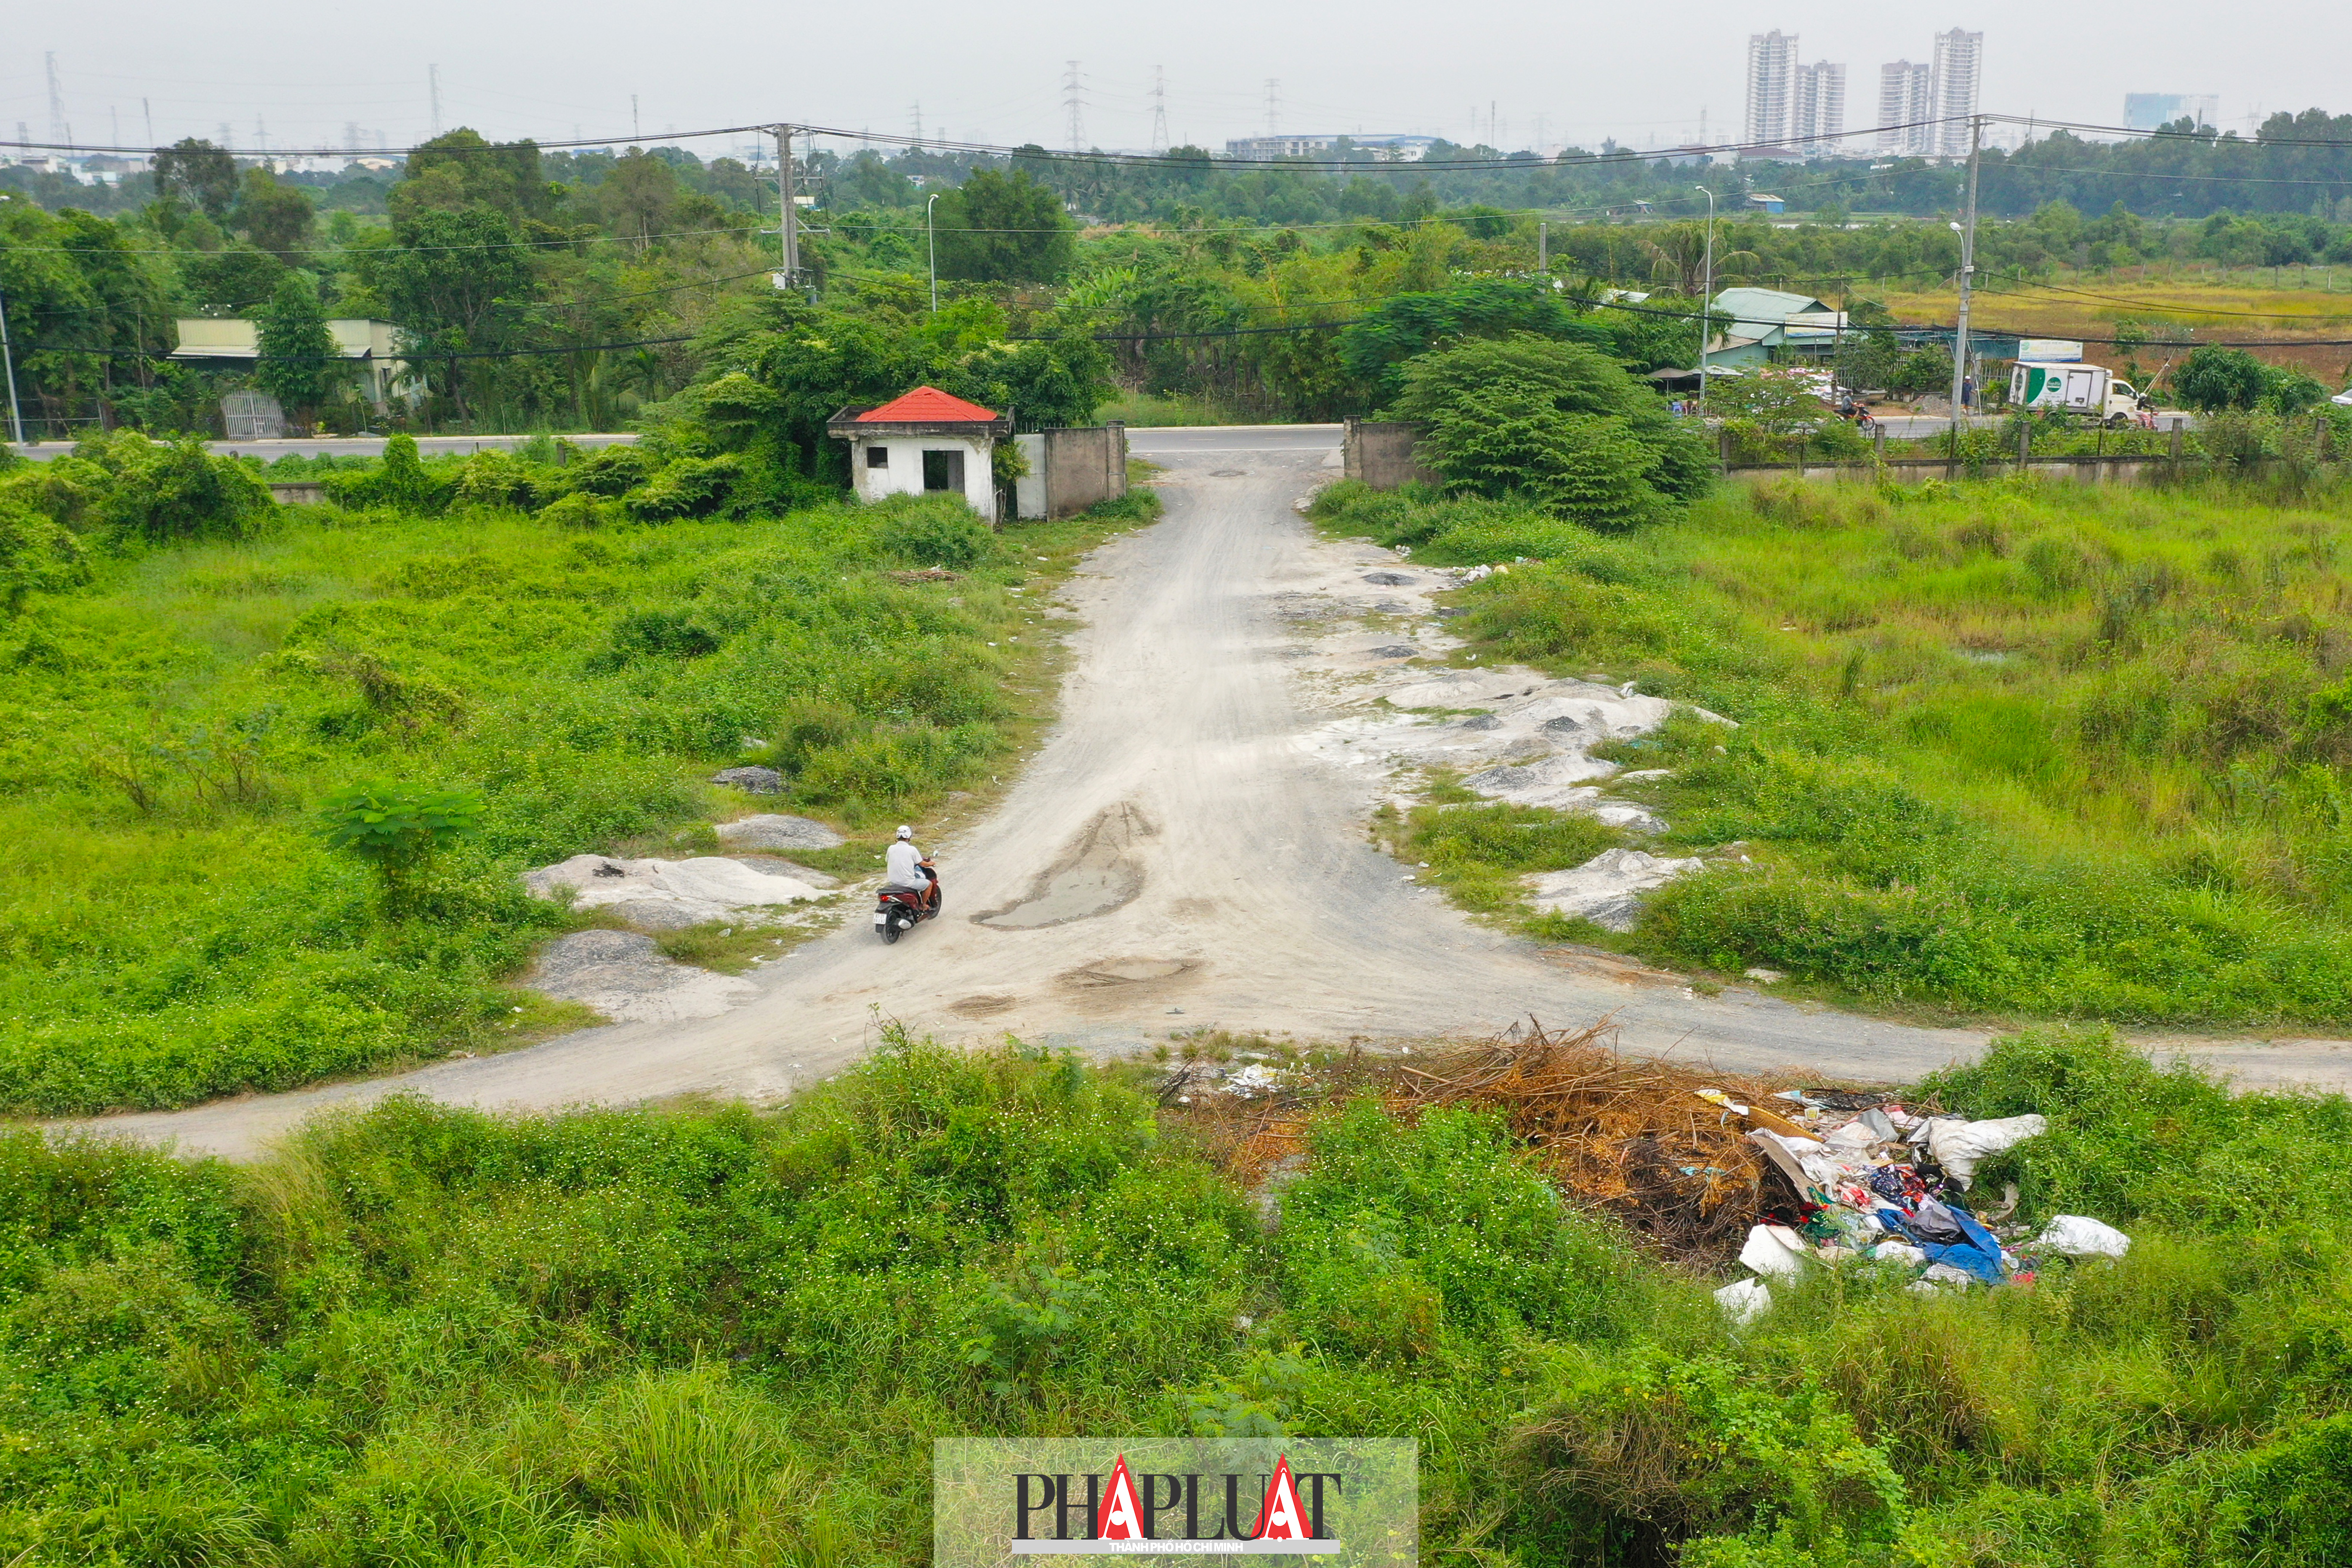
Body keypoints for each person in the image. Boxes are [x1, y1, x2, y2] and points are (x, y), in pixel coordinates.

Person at [883, 824, 936, 907]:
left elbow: (888, 860)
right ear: (909, 837)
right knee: (929, 884)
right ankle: (923, 905)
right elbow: (923, 864)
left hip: (893, 882)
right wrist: (931, 863)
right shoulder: (912, 850)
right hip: (908, 883)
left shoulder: (891, 848)